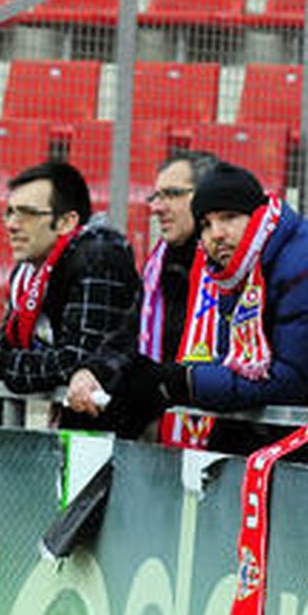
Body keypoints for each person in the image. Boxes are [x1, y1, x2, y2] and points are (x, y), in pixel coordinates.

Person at [126, 162, 308, 447]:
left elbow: (295, 378)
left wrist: (184, 382)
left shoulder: (306, 263)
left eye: (229, 217)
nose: (216, 234)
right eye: (206, 224)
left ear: (258, 217)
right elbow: (237, 361)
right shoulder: (240, 265)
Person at [0, 161, 140, 422]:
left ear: (66, 222)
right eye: (9, 213)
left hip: (118, 434)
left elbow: (80, 361)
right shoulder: (26, 272)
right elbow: (10, 347)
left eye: (26, 214)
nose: (12, 225)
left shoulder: (98, 256)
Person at [63, 149, 217, 437]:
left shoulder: (233, 271)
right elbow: (128, 337)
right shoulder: (158, 267)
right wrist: (91, 371)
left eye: (171, 194)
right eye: (155, 196)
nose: (157, 207)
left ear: (206, 197)